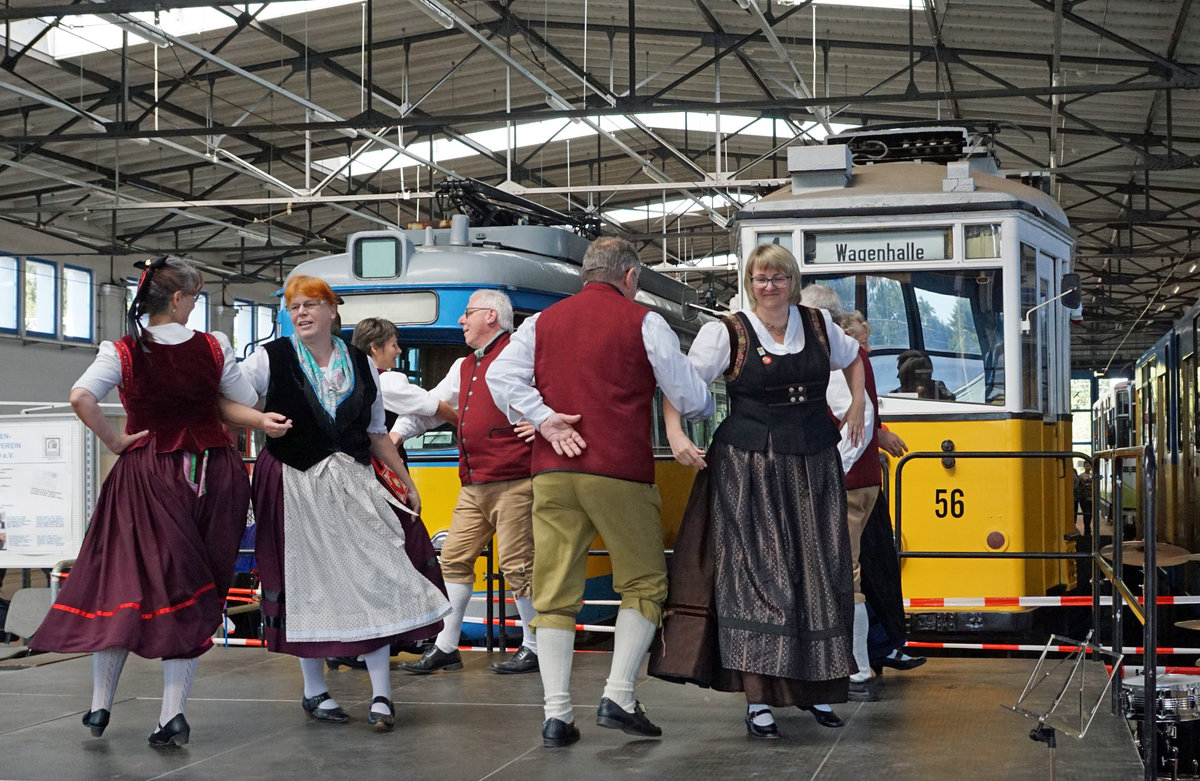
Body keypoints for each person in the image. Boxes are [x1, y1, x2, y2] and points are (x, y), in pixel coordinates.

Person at [31, 256, 287, 748]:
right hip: (213, 474)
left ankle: (100, 705)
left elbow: (81, 397)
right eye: (193, 297)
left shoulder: (122, 349)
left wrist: (114, 440)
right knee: (194, 590)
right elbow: (242, 399)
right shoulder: (214, 347)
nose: (195, 306)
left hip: (146, 475)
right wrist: (255, 418)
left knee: (121, 587)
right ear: (177, 299)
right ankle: (172, 714)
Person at [488, 237, 713, 748]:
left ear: (586, 274)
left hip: (551, 472)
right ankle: (618, 695)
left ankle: (556, 715)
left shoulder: (541, 324)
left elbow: (502, 376)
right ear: (630, 277)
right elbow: (692, 399)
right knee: (644, 583)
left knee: (555, 592)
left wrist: (544, 419)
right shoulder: (644, 322)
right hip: (619, 471)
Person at [652, 243, 865, 740]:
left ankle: (816, 690)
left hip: (815, 464)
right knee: (759, 578)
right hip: (750, 469)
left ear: (792, 280)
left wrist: (856, 405)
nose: (768, 287)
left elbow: (854, 358)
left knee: (819, 573)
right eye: (759, 279)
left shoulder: (817, 324)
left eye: (777, 278)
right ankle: (759, 702)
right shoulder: (726, 332)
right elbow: (680, 386)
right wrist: (678, 435)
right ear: (749, 283)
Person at [237, 275, 450, 733]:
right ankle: (315, 691)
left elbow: (376, 434)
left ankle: (382, 695)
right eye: (294, 307)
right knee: (305, 583)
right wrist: (258, 419)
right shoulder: (267, 359)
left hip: (352, 481)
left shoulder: (361, 363)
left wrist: (405, 481)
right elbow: (224, 400)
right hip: (293, 479)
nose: (301, 313)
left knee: (373, 574)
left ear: (333, 310)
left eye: (311, 304)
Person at [394, 290, 541, 676]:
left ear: (491, 316)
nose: (461, 321)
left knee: (517, 564)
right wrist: (396, 436)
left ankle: (535, 646)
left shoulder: (523, 354)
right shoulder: (463, 365)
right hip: (474, 482)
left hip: (515, 479)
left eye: (467, 313)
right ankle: (447, 645)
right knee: (455, 557)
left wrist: (543, 419)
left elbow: (556, 395)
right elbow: (430, 407)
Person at [837, 311, 926, 677]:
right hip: (854, 477)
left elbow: (863, 413)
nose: (868, 349)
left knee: (869, 566)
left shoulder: (856, 366)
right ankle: (873, 651)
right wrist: (876, 438)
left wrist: (879, 434)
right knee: (860, 568)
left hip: (860, 478)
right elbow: (854, 416)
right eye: (862, 341)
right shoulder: (843, 364)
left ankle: (879, 647)